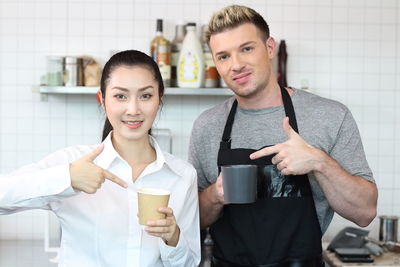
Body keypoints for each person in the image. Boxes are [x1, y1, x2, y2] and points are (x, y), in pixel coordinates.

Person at [189, 5, 378, 267]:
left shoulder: (330, 115)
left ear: (269, 47)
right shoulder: (206, 126)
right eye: (223, 56)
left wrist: (319, 162)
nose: (236, 65)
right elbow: (192, 219)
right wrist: (215, 195)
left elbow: (365, 212)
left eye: (246, 48)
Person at [0, 50, 200, 267]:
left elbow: (189, 263)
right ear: (102, 100)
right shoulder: (73, 162)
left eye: (145, 96)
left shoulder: (182, 175)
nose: (133, 110)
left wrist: (173, 238)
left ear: (159, 99)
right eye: (120, 96)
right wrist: (67, 178)